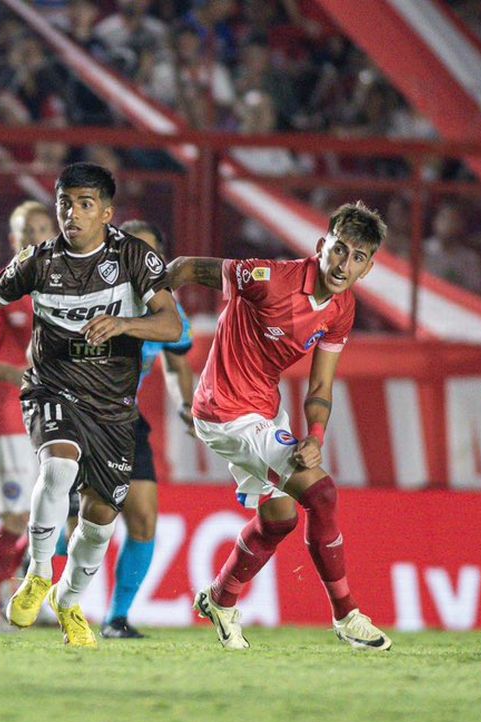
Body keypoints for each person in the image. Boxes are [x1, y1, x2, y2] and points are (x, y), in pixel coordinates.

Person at [0, 162, 182, 647]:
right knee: (57, 469)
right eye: (65, 203)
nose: (72, 213)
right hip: (53, 389)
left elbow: (172, 326)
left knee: (99, 520)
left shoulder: (135, 257)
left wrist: (124, 326)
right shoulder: (39, 261)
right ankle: (36, 574)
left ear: (107, 213)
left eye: (85, 204)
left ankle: (69, 599)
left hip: (113, 406)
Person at [166, 201, 393, 652]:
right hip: (225, 410)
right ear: (321, 245)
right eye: (340, 250)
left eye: (358, 258)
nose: (344, 264)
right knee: (321, 493)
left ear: (368, 269)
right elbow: (183, 267)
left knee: (279, 519)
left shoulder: (341, 309)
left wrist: (315, 438)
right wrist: (140, 310)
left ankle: (221, 599)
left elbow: (321, 386)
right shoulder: (269, 279)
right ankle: (347, 615)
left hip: (265, 410)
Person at [100, 219, 195, 639]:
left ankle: (116, 617)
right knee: (81, 524)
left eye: (151, 253)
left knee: (142, 519)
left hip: (126, 417)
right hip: (79, 414)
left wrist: (188, 406)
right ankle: (27, 567)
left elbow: (177, 363)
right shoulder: (92, 294)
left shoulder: (168, 312)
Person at [0, 201, 56, 621]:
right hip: (5, 417)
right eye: (26, 230)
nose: (35, 236)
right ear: (13, 240)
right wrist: (21, 374)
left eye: (42, 227)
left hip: (48, 417)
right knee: (20, 516)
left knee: (51, 516)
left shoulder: (62, 287)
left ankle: (14, 596)